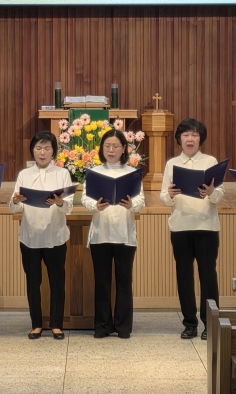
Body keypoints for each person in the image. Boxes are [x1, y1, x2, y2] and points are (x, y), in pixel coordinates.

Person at [160, 118, 223, 340]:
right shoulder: (172, 164)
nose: (190, 138)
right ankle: (189, 323)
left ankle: (210, 324)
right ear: (179, 139)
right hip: (180, 227)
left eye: (194, 135)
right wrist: (170, 194)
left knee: (208, 276)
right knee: (184, 276)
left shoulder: (210, 161)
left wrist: (211, 192)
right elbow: (163, 197)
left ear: (200, 139)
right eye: (186, 134)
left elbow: (219, 195)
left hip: (206, 227)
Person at [82, 129, 145, 339]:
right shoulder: (94, 172)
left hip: (124, 234)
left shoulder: (132, 173)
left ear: (124, 149)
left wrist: (131, 204)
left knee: (124, 281)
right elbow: (86, 199)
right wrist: (95, 205)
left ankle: (123, 326)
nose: (111, 150)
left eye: (115, 146)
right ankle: (102, 326)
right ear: (102, 149)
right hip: (101, 233)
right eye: (107, 146)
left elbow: (141, 201)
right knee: (102, 282)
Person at [10, 131, 73, 340]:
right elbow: (14, 207)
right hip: (30, 237)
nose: (42, 152)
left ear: (53, 151)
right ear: (33, 150)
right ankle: (36, 324)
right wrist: (16, 200)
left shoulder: (62, 174)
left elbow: (69, 206)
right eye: (38, 148)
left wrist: (60, 202)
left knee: (57, 281)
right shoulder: (24, 175)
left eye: (47, 148)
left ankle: (56, 325)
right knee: (32, 282)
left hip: (56, 236)